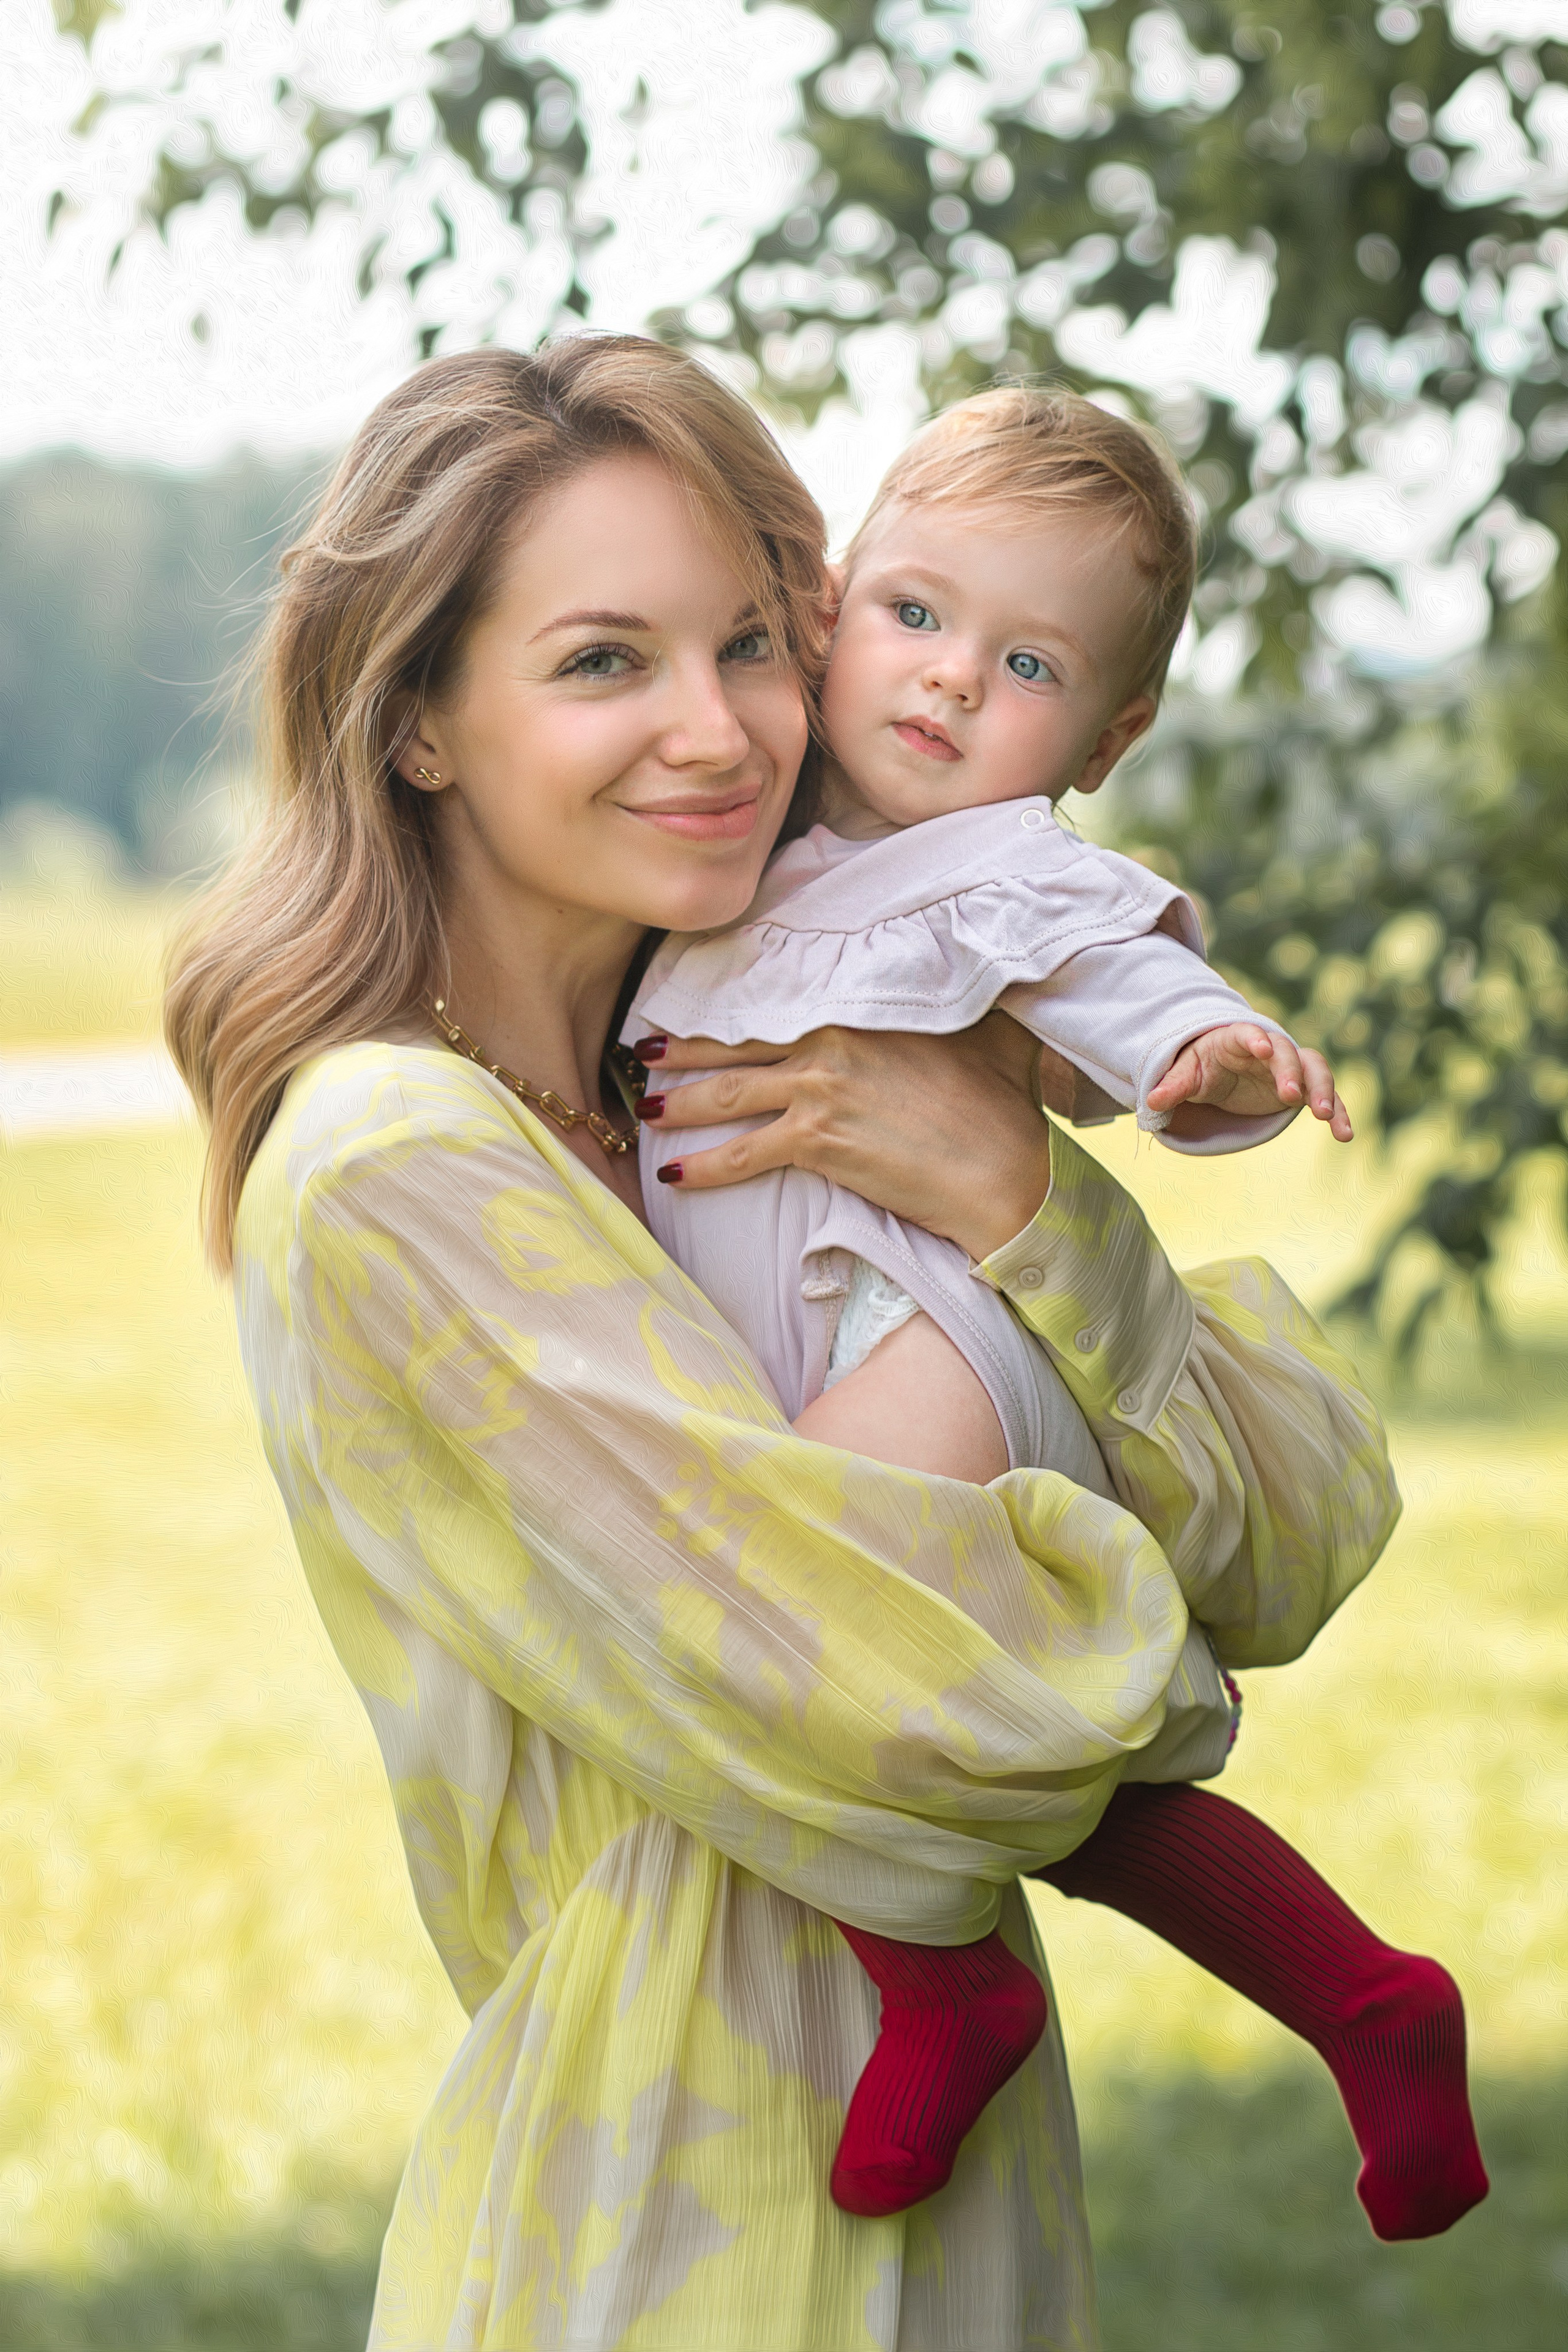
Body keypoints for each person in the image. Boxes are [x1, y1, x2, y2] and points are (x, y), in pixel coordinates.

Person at [168, 337, 1409, 2352]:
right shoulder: (398, 1165)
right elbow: (940, 1699)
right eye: (601, 664)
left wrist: (1019, 1193)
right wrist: (1106, 1542)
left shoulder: (765, 1076)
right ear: (417, 725)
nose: (719, 729)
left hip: (958, 2200)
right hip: (685, 2221)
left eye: (751, 641)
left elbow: (1298, 1531)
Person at [628, 388, 1488, 2236]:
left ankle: (949, 1980)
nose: (946, 684)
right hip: (822, 1349)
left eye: (1024, 662)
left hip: (926, 1339)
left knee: (778, 1628)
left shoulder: (1006, 874)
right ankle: (1363, 2002)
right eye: (919, 616)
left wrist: (1216, 1059)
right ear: (837, 600)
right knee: (981, 1734)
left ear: (1105, 736)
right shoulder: (730, 842)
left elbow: (1123, 992)